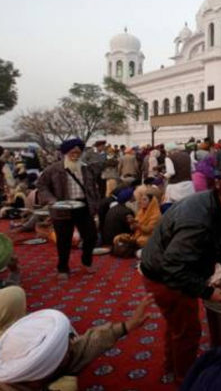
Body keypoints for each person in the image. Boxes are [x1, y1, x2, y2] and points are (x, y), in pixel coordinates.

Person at [140, 177, 221, 385]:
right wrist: (207, 292)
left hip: (175, 271)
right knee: (188, 332)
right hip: (166, 279)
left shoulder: (215, 203)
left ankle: (171, 367)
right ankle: (185, 380)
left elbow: (215, 238)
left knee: (178, 325)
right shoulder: (196, 221)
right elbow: (172, 268)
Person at [0, 295, 154, 389]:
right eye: (68, 345)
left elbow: (86, 345)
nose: (74, 342)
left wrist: (127, 326)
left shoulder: (40, 367)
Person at [37, 138, 100, 279]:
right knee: (64, 240)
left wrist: (95, 204)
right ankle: (63, 268)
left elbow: (93, 188)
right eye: (72, 152)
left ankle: (86, 261)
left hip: (83, 207)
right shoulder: (54, 169)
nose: (75, 155)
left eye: (78, 152)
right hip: (61, 208)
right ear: (65, 153)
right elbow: (41, 186)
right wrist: (52, 200)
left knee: (91, 236)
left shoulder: (86, 168)